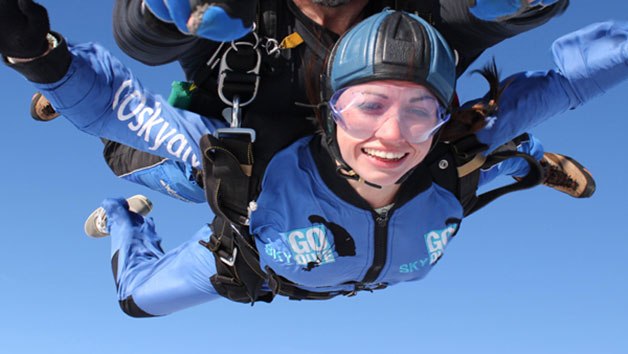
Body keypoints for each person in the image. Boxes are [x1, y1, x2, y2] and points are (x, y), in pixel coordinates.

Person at [3, 3, 625, 316]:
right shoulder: (261, 167)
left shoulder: (443, 147)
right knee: (140, 277)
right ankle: (122, 216)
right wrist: (43, 58)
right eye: (369, 106)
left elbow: (570, 81)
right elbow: (122, 107)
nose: (392, 136)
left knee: (489, 151)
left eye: (419, 112)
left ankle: (532, 163)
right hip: (244, 228)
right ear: (330, 111)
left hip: (283, 257)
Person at [29, 0, 572, 204]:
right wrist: (151, 15)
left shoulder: (421, 12)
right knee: (133, 150)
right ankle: (74, 88)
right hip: (238, 158)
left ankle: (525, 159)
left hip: (381, 164)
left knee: (454, 163)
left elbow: (494, 11)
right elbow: (144, 38)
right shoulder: (237, 11)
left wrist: (531, 3)